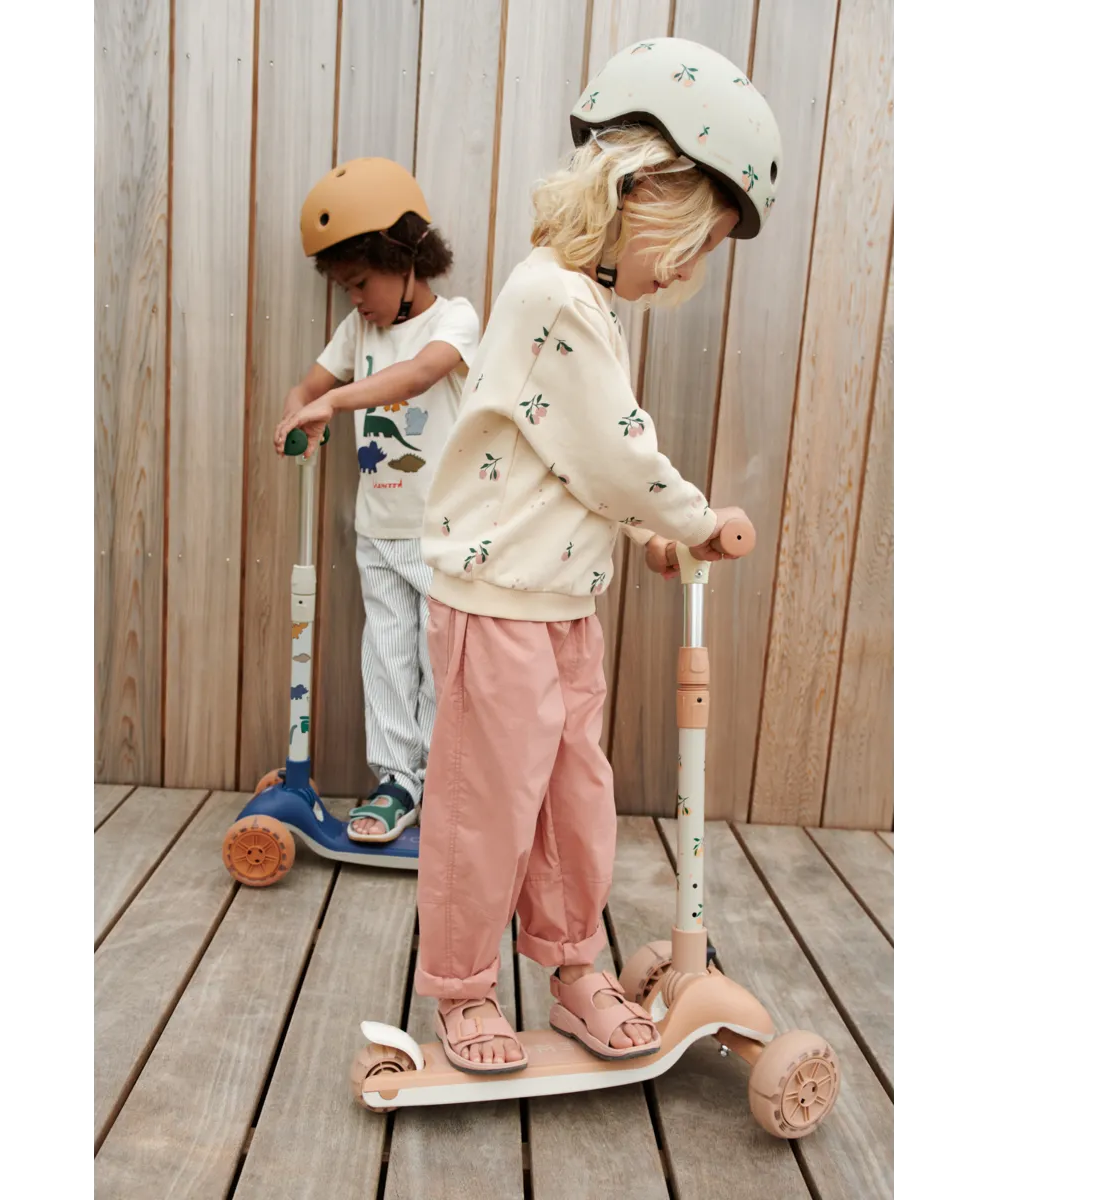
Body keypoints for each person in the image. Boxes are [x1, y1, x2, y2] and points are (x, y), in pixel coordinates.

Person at [412, 38, 782, 1071]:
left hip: (562, 607)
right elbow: (617, 455)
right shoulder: (555, 297)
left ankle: (575, 967)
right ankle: (464, 989)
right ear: (646, 189)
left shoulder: (584, 302)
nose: (690, 270)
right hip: (496, 604)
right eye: (697, 243)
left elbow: (572, 465)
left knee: (574, 801)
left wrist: (648, 536)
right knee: (489, 807)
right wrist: (692, 520)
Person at [279, 158, 479, 844]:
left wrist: (334, 402)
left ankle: (443, 785)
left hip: (441, 537)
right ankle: (397, 782)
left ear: (406, 258)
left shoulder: (455, 321)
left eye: (361, 283)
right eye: (345, 287)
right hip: (379, 531)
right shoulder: (357, 330)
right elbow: (308, 387)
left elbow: (418, 376)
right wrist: (296, 413)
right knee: (387, 661)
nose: (356, 300)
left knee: (441, 667)